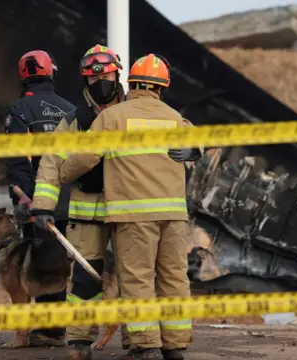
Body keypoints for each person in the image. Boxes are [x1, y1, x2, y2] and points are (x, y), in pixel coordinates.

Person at [58, 54, 201, 360]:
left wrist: (64, 173)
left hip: (134, 215)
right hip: (174, 215)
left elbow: (85, 157)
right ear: (162, 87)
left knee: (138, 279)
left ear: (130, 82)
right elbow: (196, 142)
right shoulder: (175, 117)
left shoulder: (113, 117)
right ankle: (175, 346)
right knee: (174, 278)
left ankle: (146, 345)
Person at [30, 44, 131, 360]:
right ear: (84, 81)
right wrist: (43, 205)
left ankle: (140, 342)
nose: (100, 83)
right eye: (92, 78)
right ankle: (78, 342)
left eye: (107, 76)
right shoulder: (76, 120)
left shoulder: (135, 115)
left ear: (117, 75)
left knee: (134, 278)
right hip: (87, 212)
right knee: (85, 282)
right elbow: (50, 162)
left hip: (131, 211)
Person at [4, 49, 75, 347]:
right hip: (72, 200)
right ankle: (56, 327)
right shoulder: (70, 110)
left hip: (37, 201)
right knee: (62, 263)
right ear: (52, 72)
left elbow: (19, 161)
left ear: (24, 75)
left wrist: (25, 198)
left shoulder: (19, 111)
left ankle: (50, 331)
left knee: (42, 263)